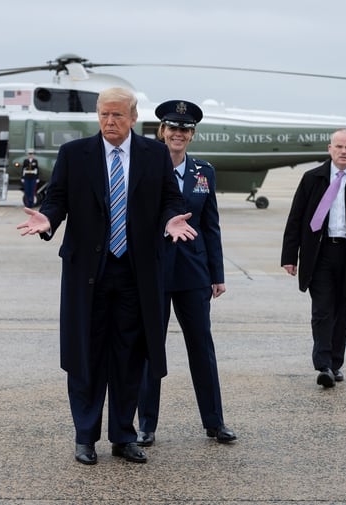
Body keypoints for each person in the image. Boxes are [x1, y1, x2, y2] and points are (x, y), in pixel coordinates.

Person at [16, 87, 196, 466]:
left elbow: (170, 199)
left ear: (133, 117)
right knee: (86, 355)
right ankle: (85, 436)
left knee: (130, 357)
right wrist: (48, 219)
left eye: (116, 116)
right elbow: (57, 198)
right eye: (103, 115)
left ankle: (123, 437)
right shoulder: (74, 154)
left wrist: (171, 218)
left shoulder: (154, 154)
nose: (109, 122)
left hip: (135, 272)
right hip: (89, 274)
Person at [136, 100, 236, 447]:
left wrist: (217, 273)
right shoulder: (145, 167)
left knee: (202, 348)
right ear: (162, 131)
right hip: (155, 272)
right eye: (172, 128)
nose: (178, 134)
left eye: (185, 129)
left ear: (192, 135)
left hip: (193, 274)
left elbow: (212, 227)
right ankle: (146, 424)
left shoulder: (203, 172)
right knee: (151, 348)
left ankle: (215, 421)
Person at [280, 128, 346, 388]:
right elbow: (295, 218)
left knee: (343, 310)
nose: (343, 151)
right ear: (330, 149)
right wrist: (289, 256)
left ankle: (335, 363)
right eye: (339, 147)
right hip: (320, 252)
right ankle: (324, 364)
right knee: (322, 309)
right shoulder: (312, 178)